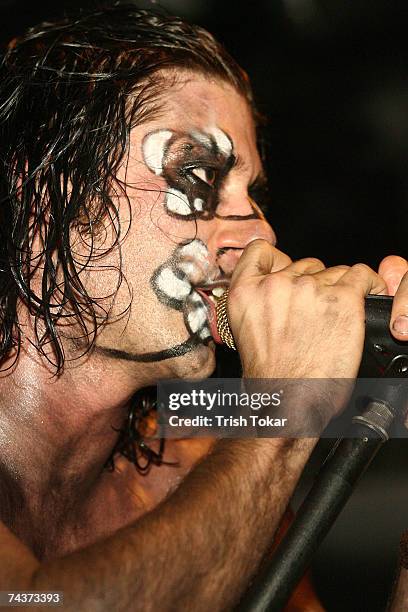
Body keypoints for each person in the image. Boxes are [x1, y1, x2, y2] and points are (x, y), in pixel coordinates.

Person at [0, 3, 407, 609]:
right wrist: (285, 410)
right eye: (197, 176)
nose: (261, 235)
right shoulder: (249, 439)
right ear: (40, 200)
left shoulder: (202, 445)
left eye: (253, 194)